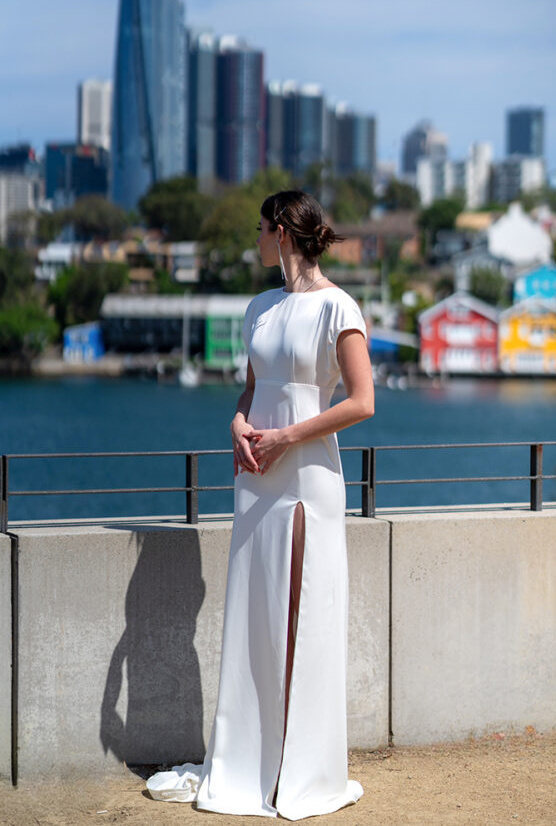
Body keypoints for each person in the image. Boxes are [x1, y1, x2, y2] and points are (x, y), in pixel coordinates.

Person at [147, 190, 374, 819]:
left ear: (280, 232)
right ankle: (254, 761)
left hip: (307, 474)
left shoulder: (339, 307)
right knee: (256, 612)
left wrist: (286, 437)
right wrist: (239, 425)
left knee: (303, 614)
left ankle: (300, 771)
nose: (254, 237)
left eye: (259, 228)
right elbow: (251, 388)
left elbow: (362, 402)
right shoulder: (260, 307)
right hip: (256, 472)